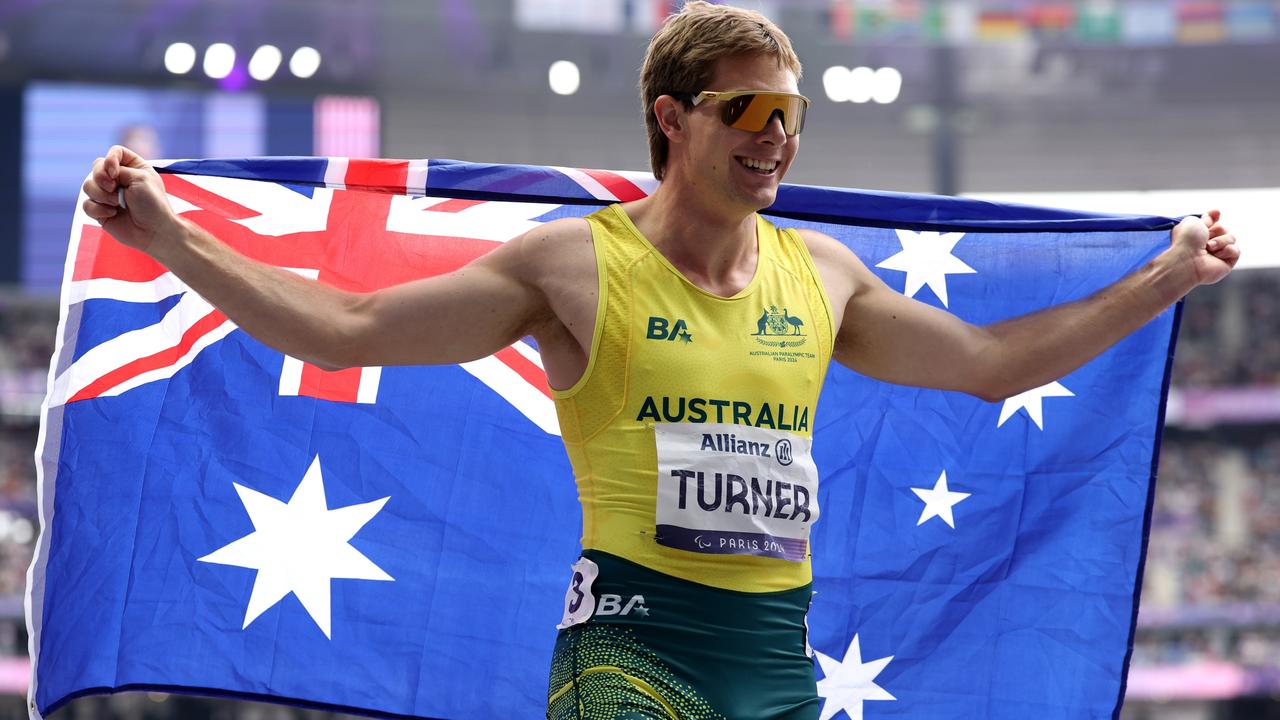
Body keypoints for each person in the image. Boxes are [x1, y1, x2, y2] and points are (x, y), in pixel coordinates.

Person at [80, 3, 1238, 718]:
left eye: (789, 113)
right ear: (670, 118)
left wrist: (1165, 276)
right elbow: (343, 328)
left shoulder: (821, 275)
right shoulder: (570, 269)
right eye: (745, 108)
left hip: (774, 667)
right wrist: (167, 237)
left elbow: (989, 363)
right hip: (631, 660)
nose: (774, 134)